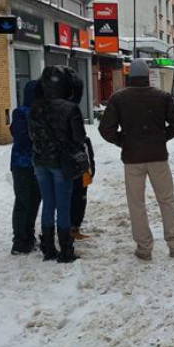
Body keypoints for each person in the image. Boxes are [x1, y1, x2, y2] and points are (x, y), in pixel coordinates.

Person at [99, 58, 174, 260]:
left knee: (136, 204)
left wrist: (124, 141)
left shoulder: (118, 98)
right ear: (147, 76)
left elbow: (105, 129)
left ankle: (144, 247)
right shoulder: (162, 97)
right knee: (167, 200)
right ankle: (173, 244)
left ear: (130, 76)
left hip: (133, 159)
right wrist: (161, 137)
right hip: (158, 157)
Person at [29, 66, 88, 263]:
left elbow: (32, 135)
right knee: (63, 206)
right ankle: (66, 250)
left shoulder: (35, 107)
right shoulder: (71, 108)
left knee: (48, 204)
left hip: (40, 161)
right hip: (62, 163)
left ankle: (48, 248)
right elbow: (79, 137)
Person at [9, 80, 41, 255]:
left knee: (34, 200)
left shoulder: (38, 112)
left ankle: (28, 235)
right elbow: (22, 135)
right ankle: (19, 241)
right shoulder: (20, 113)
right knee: (23, 201)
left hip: (37, 165)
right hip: (22, 165)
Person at [67, 72, 96, 241]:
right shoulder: (72, 109)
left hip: (56, 158)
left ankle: (66, 228)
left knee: (66, 196)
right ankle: (72, 227)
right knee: (78, 195)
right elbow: (79, 137)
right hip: (75, 158)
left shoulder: (45, 108)